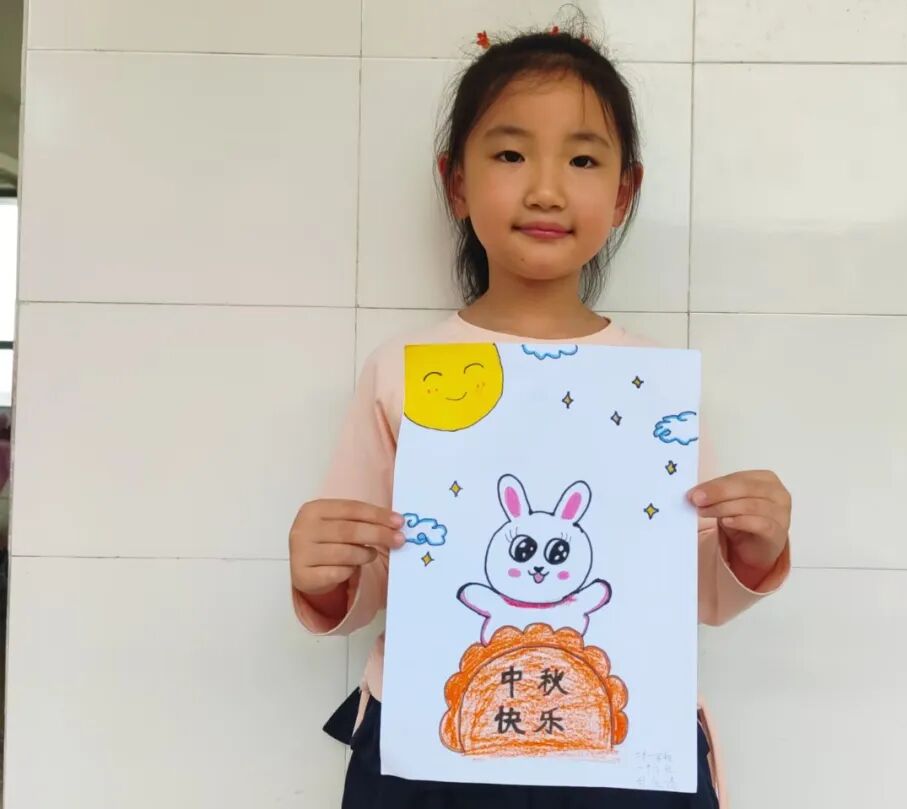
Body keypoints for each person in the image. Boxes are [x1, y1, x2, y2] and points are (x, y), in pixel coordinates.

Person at [288, 24, 792, 809]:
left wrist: (752, 548)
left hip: (620, 747)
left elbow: (684, 590)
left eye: (583, 160)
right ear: (456, 182)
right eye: (510, 154)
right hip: (434, 742)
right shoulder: (403, 370)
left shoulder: (654, 389)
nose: (547, 189)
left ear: (624, 192)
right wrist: (323, 572)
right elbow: (379, 575)